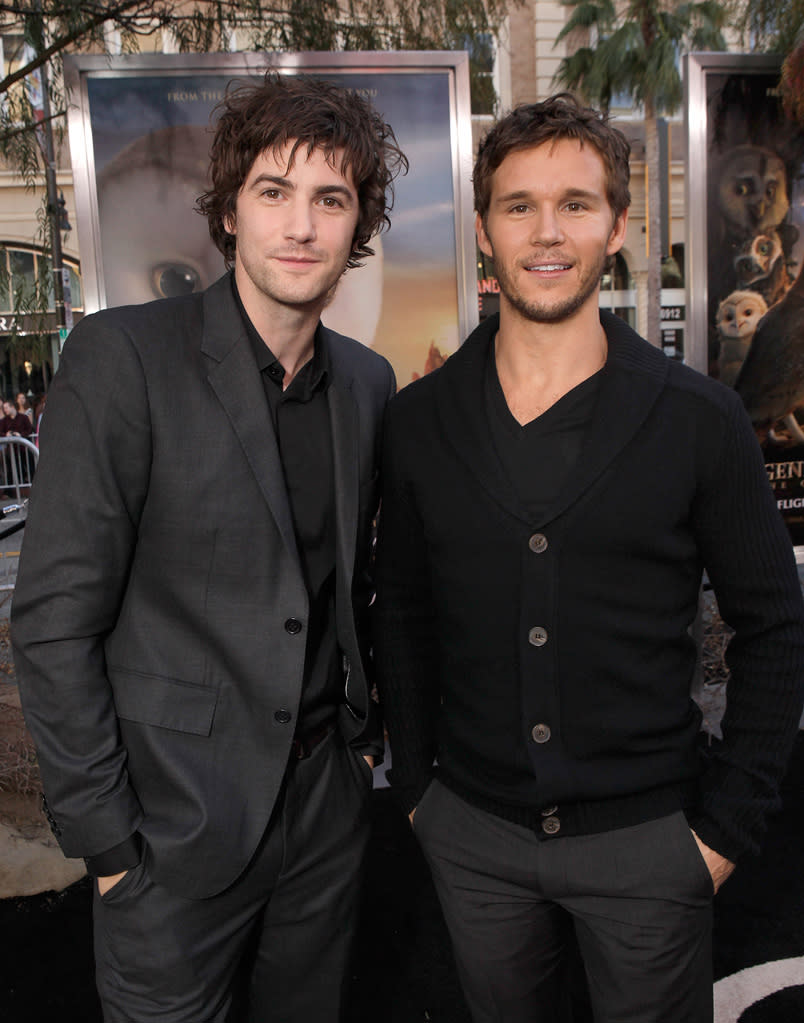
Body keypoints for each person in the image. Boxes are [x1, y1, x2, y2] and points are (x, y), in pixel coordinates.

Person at [373, 93, 804, 1023]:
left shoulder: (699, 419)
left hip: (652, 841)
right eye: (519, 204)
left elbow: (775, 623)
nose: (546, 231)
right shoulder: (417, 421)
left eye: (575, 203)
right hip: (473, 836)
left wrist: (726, 827)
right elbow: (399, 610)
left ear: (617, 226)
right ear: (484, 230)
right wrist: (417, 791)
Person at [12, 71, 405, 1023]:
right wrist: (108, 843)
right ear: (230, 209)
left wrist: (357, 755)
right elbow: (55, 625)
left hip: (325, 813)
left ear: (358, 226)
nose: (301, 225)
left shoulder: (367, 383)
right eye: (274, 192)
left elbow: (349, 588)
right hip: (168, 830)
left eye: (331, 199)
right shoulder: (124, 359)